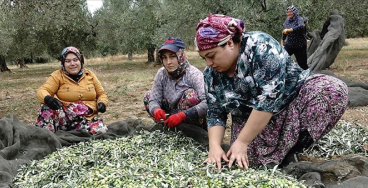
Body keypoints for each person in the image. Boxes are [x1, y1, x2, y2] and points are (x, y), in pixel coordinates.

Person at [195, 13, 348, 169]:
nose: (208, 63)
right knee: (247, 163)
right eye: (203, 58)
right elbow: (215, 113)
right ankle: (276, 154)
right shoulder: (211, 75)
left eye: (211, 56)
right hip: (252, 122)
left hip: (292, 102)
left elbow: (268, 100)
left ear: (229, 43)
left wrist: (242, 142)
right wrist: (214, 147)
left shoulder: (261, 47)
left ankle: (292, 150)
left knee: (333, 92)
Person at [35, 46, 109, 135]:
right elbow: (42, 90)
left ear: (81, 61)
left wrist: (102, 103)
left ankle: (71, 133)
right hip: (63, 118)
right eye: (68, 61)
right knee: (45, 107)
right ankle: (48, 137)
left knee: (101, 131)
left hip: (86, 117)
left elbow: (101, 94)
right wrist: (48, 98)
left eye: (75, 60)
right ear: (63, 63)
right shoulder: (57, 75)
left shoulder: (90, 75)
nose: (72, 64)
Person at [143, 37, 207, 129]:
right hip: (169, 114)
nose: (168, 62)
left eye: (172, 56)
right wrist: (156, 110)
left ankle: (189, 130)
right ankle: (166, 126)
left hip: (189, 118)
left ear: (181, 56)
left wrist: (182, 116)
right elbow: (154, 99)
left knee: (190, 96)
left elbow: (208, 102)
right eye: (164, 58)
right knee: (147, 97)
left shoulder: (194, 74)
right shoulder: (161, 74)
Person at [282, 5, 308, 70]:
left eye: (290, 12)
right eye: (287, 12)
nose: (289, 13)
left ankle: (307, 77)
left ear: (294, 12)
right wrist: (283, 40)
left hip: (300, 46)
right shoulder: (286, 21)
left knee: (302, 64)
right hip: (289, 45)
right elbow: (285, 32)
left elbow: (301, 27)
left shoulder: (299, 19)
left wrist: (291, 29)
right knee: (282, 58)